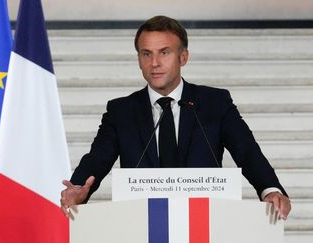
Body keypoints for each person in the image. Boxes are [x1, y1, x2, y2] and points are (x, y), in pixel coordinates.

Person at [60, 15, 291, 219]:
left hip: (204, 224)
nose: (155, 63)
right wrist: (79, 188)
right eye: (146, 53)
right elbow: (97, 159)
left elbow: (247, 151)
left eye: (164, 52)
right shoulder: (121, 111)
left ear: (183, 57)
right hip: (144, 225)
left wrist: (270, 190)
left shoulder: (215, 103)